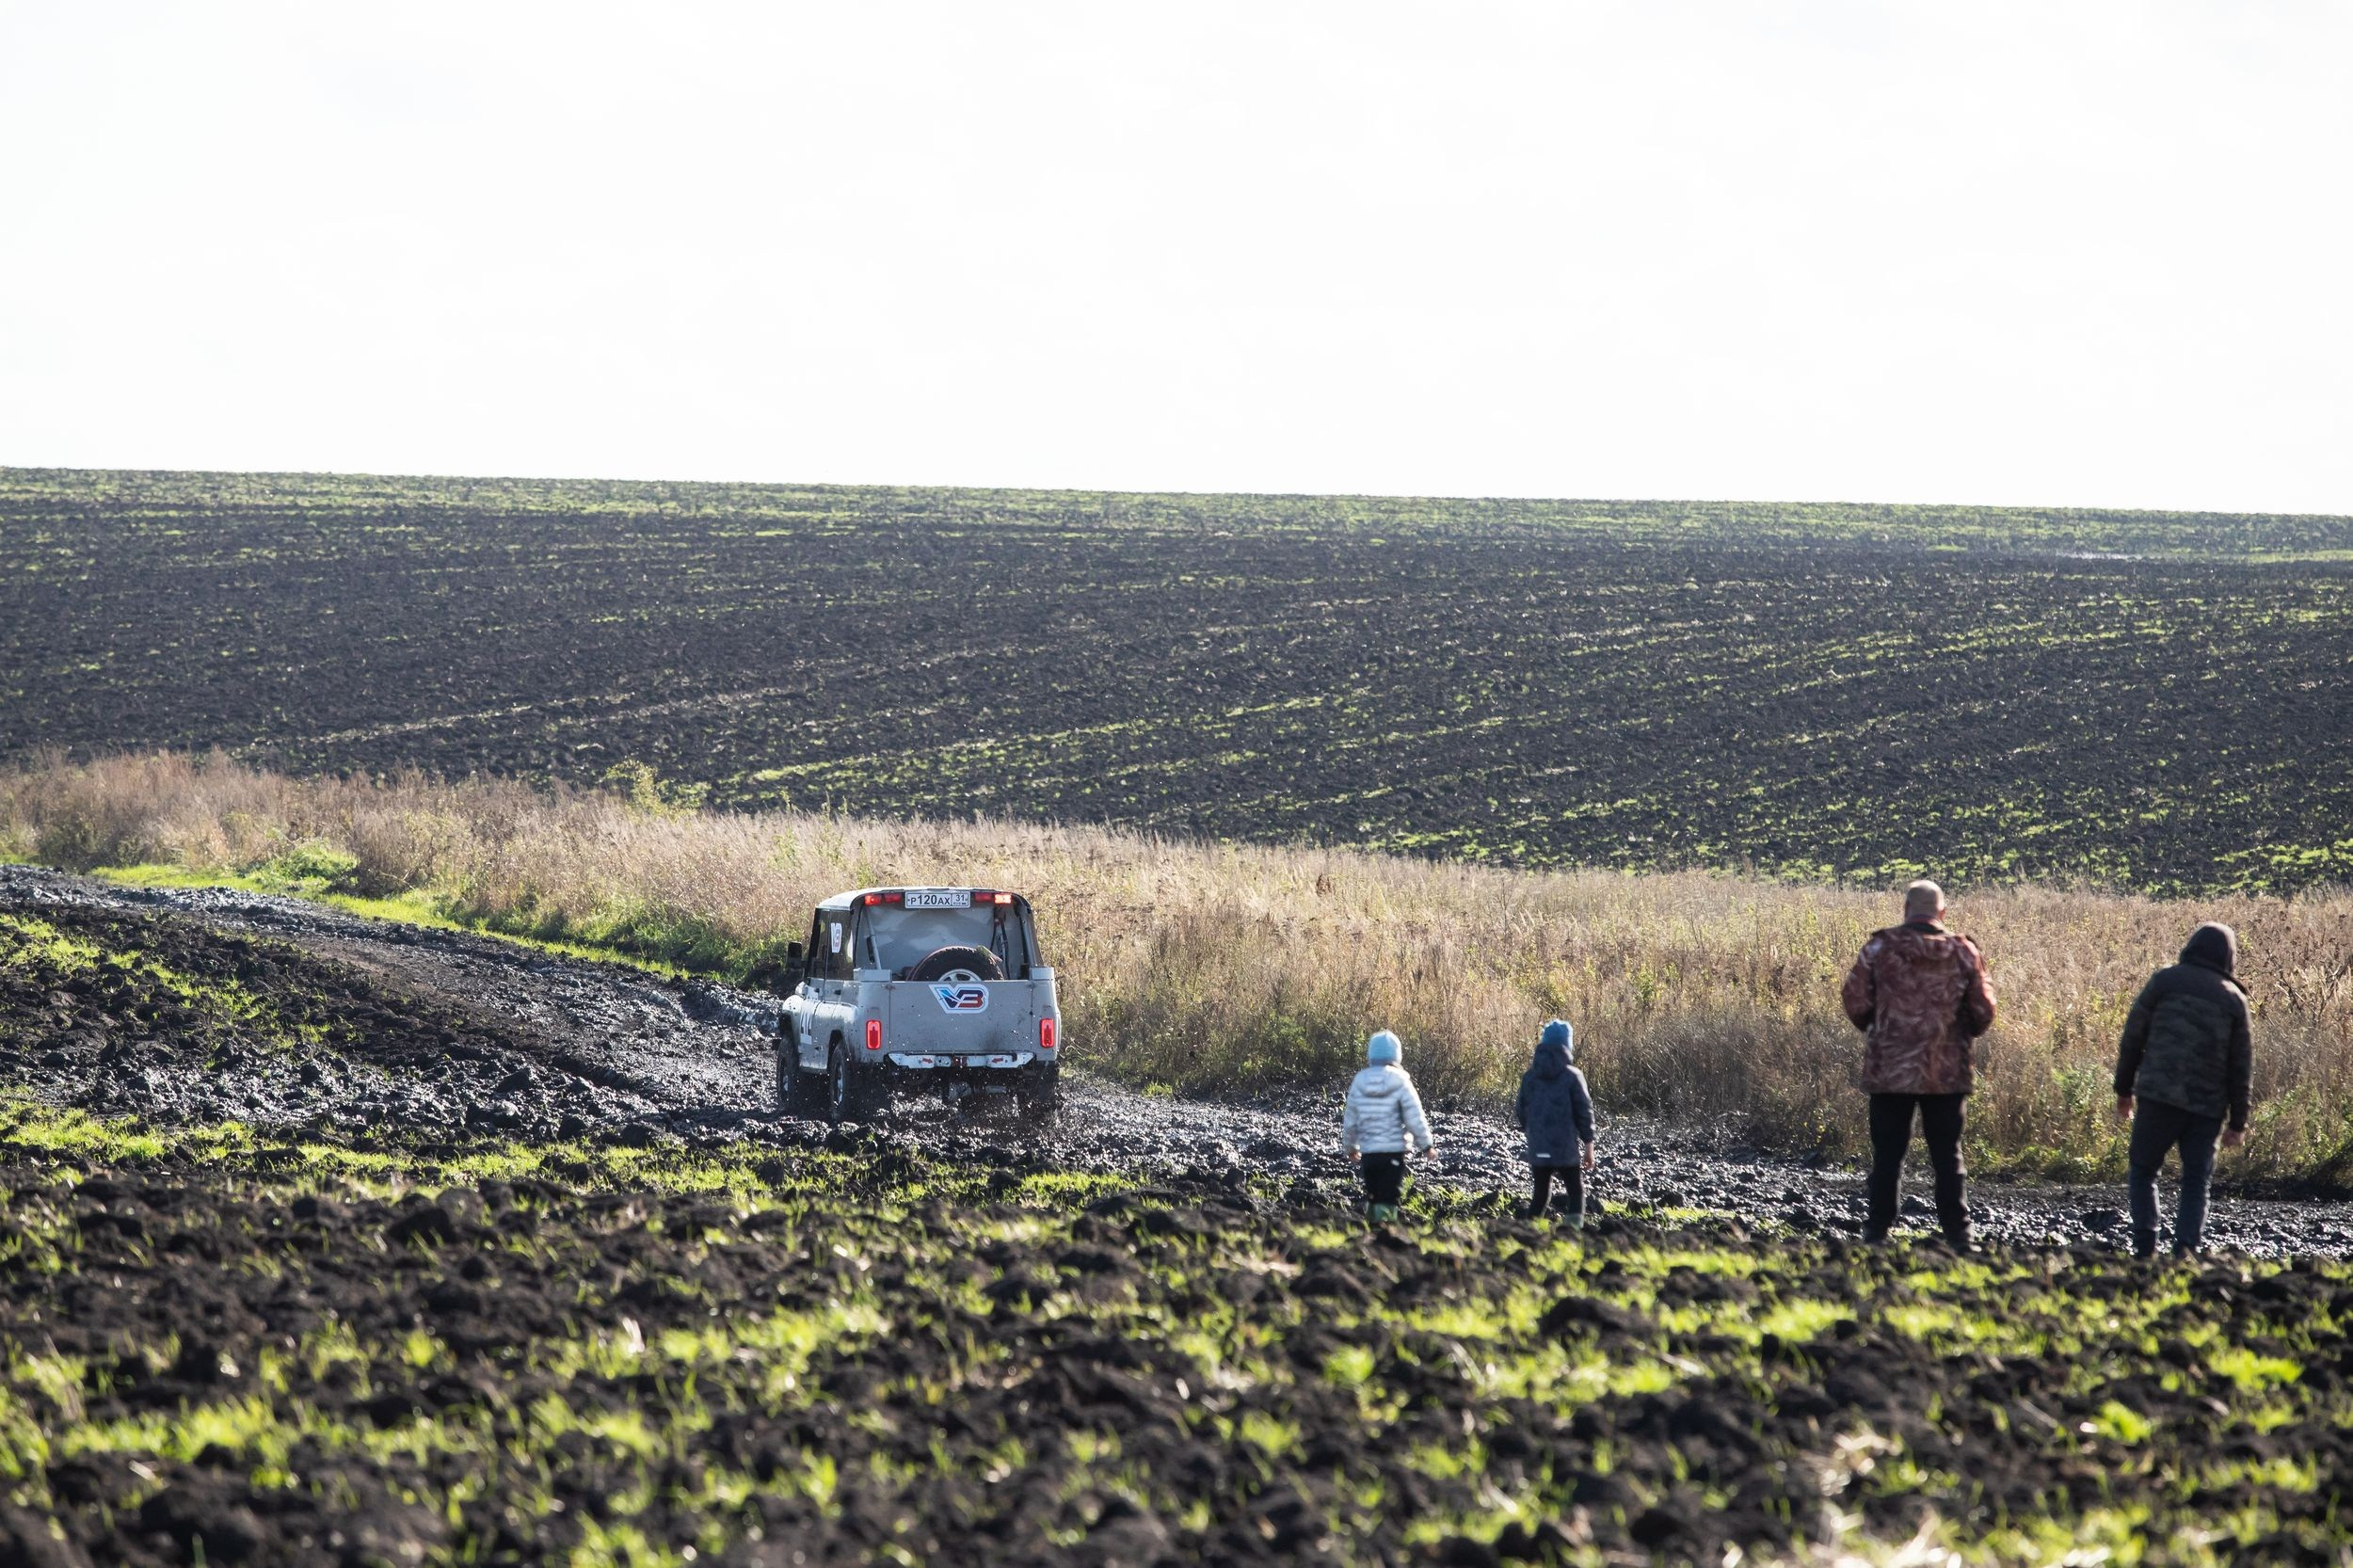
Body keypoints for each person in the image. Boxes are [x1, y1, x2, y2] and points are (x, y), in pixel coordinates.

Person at [1840, 879, 1997, 1248]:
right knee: (1947, 1155)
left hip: (1890, 1071)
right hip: (1947, 1071)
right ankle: (1959, 1236)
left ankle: (1877, 1232)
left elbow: (1855, 1000)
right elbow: (1984, 1011)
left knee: (1888, 1156)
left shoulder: (1878, 948)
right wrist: (1962, 1032)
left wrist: (1877, 1027)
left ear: (1906, 910)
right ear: (1941, 912)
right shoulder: (1963, 952)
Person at [2113, 922, 2252, 1259]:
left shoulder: (2164, 982)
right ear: (2227, 957)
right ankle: (2186, 1250)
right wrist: (2238, 1121)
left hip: (2158, 1097)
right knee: (2195, 1182)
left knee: (2144, 1171)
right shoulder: (2234, 1000)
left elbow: (2134, 1036)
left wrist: (2124, 1089)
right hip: (2206, 1109)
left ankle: (2145, 1245)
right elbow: (2241, 1066)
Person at [1340, 1029, 1434, 1222]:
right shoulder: (1401, 1081)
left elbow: (1350, 1119)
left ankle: (1373, 1230)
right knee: (1389, 1195)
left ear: (1370, 1055)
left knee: (1373, 1193)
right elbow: (1414, 1116)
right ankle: (1385, 1232)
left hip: (1369, 1153)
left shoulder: (1360, 1080)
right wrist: (1427, 1145)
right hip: (1393, 1151)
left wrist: (1350, 1147)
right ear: (1397, 1056)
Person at [1515, 1018, 1596, 1225]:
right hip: (1564, 1147)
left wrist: (1532, 1132)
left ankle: (1528, 1230)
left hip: (1538, 1146)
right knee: (1576, 1191)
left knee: (1541, 1194)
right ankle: (1572, 1232)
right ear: (1567, 1046)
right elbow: (1584, 1112)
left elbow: (1521, 1110)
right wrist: (1589, 1144)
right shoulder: (1573, 1076)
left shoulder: (1530, 1077)